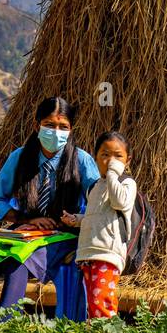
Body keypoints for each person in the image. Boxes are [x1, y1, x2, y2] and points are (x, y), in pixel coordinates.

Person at [0, 96, 100, 316]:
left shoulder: (81, 161)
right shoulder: (20, 158)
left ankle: (5, 323)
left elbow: (100, 205)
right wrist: (25, 220)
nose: (55, 132)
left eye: (63, 127)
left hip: (63, 238)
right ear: (36, 126)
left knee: (20, 261)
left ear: (71, 130)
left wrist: (75, 220)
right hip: (24, 235)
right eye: (49, 125)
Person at [65, 131, 136, 319]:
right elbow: (95, 215)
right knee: (92, 300)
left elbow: (119, 202)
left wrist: (113, 172)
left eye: (118, 156)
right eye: (105, 155)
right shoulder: (95, 187)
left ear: (127, 160)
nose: (111, 160)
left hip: (107, 253)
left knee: (102, 299)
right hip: (88, 251)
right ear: (95, 157)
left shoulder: (127, 183)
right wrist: (76, 219)